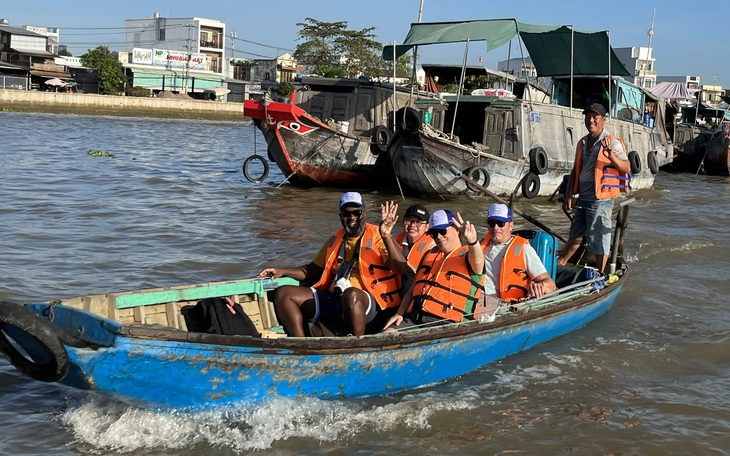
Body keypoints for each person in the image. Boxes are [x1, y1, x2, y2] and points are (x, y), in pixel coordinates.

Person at [258, 192, 409, 337]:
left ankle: (357, 345)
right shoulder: (334, 239)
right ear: (340, 216)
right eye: (347, 213)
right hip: (336, 297)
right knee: (284, 293)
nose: (352, 217)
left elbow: (400, 269)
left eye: (356, 212)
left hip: (369, 303)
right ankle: (301, 344)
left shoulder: (378, 235)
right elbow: (312, 270)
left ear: (364, 213)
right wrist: (282, 270)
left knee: (352, 294)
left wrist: (387, 236)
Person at [558, 102, 631, 273]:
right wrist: (569, 195)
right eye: (588, 116)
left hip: (601, 199)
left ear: (603, 120)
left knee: (599, 238)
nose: (590, 120)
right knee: (576, 234)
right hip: (583, 196)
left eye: (595, 117)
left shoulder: (612, 142)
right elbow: (576, 170)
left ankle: (600, 273)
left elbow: (627, 167)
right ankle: (561, 263)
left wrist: (612, 157)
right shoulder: (583, 142)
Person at [382, 209, 485, 331]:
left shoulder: (469, 256)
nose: (439, 237)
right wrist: (400, 313)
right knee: (387, 333)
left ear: (457, 230)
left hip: (448, 324)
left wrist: (472, 241)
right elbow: (412, 290)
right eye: (434, 234)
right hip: (416, 318)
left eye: (442, 231)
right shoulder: (429, 255)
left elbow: (478, 260)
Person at [479, 203, 556, 302]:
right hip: (480, 304)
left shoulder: (524, 249)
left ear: (511, 226)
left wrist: (540, 286)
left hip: (509, 306)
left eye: (501, 223)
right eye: (492, 223)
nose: (496, 228)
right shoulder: (479, 246)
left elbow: (551, 285)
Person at [391, 204, 433, 292]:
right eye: (409, 220)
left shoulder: (433, 246)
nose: (412, 225)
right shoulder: (394, 239)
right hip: (396, 289)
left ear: (427, 227)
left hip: (418, 290)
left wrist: (404, 261)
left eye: (418, 222)